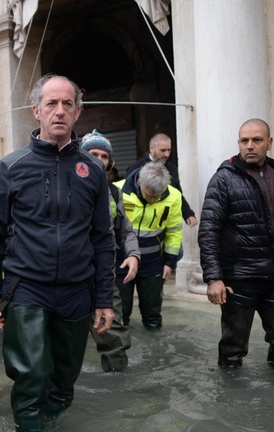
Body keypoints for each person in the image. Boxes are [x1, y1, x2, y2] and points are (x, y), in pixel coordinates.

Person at [0, 74, 115, 432]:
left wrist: (104, 298)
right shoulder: (12, 166)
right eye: (51, 104)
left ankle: (49, 426)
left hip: (76, 291)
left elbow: (103, 238)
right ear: (36, 111)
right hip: (26, 288)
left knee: (65, 379)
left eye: (67, 104)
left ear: (77, 111)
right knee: (31, 374)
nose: (59, 111)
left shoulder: (93, 171)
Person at [199, 118, 274, 367]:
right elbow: (209, 231)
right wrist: (213, 278)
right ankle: (230, 400)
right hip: (239, 280)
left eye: (257, 140)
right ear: (239, 143)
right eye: (244, 140)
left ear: (269, 143)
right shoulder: (223, 179)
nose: (250, 146)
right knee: (232, 350)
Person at [80, 130, 140, 371]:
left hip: (104, 276)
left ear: (110, 163)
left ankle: (119, 386)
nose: (98, 160)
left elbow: (126, 230)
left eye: (103, 156)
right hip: (68, 275)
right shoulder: (63, 185)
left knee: (114, 337)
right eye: (92, 154)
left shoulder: (114, 192)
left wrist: (134, 255)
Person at [116, 161, 183, 330]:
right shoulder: (116, 190)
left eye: (157, 196)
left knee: (153, 314)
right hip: (121, 260)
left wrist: (170, 262)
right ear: (139, 183)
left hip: (153, 261)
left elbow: (174, 231)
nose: (153, 200)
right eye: (149, 195)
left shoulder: (174, 197)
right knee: (120, 313)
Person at [126, 133, 198, 228]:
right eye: (163, 150)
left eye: (169, 150)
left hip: (166, 222)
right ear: (152, 148)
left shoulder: (171, 168)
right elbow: (126, 195)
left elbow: (178, 194)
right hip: (142, 225)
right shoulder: (136, 169)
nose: (167, 154)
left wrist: (188, 213)